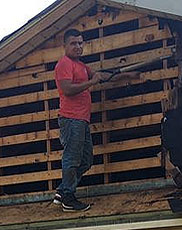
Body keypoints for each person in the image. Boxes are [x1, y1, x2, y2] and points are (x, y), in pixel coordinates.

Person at [53, 28, 139, 211]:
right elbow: (67, 89)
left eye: (80, 43)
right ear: (65, 45)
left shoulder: (82, 66)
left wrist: (126, 75)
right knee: (72, 158)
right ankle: (68, 197)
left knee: (87, 160)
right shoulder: (64, 64)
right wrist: (92, 83)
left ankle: (63, 189)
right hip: (70, 119)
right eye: (73, 43)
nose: (78, 46)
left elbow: (102, 77)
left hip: (82, 120)